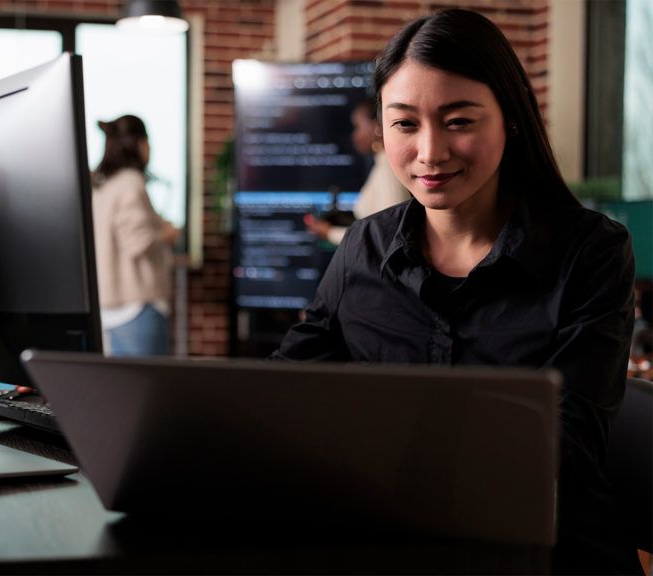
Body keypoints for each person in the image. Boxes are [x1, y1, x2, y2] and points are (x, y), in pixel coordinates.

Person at [271, 9, 638, 574]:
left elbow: (565, 445)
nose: (430, 152)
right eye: (405, 124)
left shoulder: (590, 253)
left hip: (549, 558)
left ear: (509, 120)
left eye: (459, 121)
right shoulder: (363, 249)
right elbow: (276, 395)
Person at [91, 115, 178, 356]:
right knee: (150, 390)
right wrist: (166, 233)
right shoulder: (131, 182)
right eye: (147, 141)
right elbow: (136, 241)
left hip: (112, 308)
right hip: (137, 306)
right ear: (137, 144)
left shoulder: (102, 184)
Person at [305, 98, 409, 245]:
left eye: (358, 126)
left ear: (377, 126)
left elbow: (387, 234)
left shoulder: (389, 169)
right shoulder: (383, 164)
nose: (354, 135)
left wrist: (330, 233)